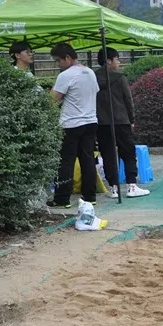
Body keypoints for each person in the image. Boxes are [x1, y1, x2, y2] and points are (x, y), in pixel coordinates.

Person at [47, 43, 99, 208]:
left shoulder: (66, 75)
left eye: (58, 60)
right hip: (91, 121)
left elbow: (53, 99)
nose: (58, 64)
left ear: (68, 58)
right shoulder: (90, 72)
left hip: (71, 124)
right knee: (88, 160)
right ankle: (90, 196)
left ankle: (62, 198)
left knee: (66, 162)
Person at [95, 47, 150, 199]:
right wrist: (132, 119)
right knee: (128, 153)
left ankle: (113, 188)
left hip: (102, 123)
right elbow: (128, 100)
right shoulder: (120, 78)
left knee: (108, 155)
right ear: (108, 61)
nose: (119, 62)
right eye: (117, 59)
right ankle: (132, 186)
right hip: (121, 121)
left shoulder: (93, 78)